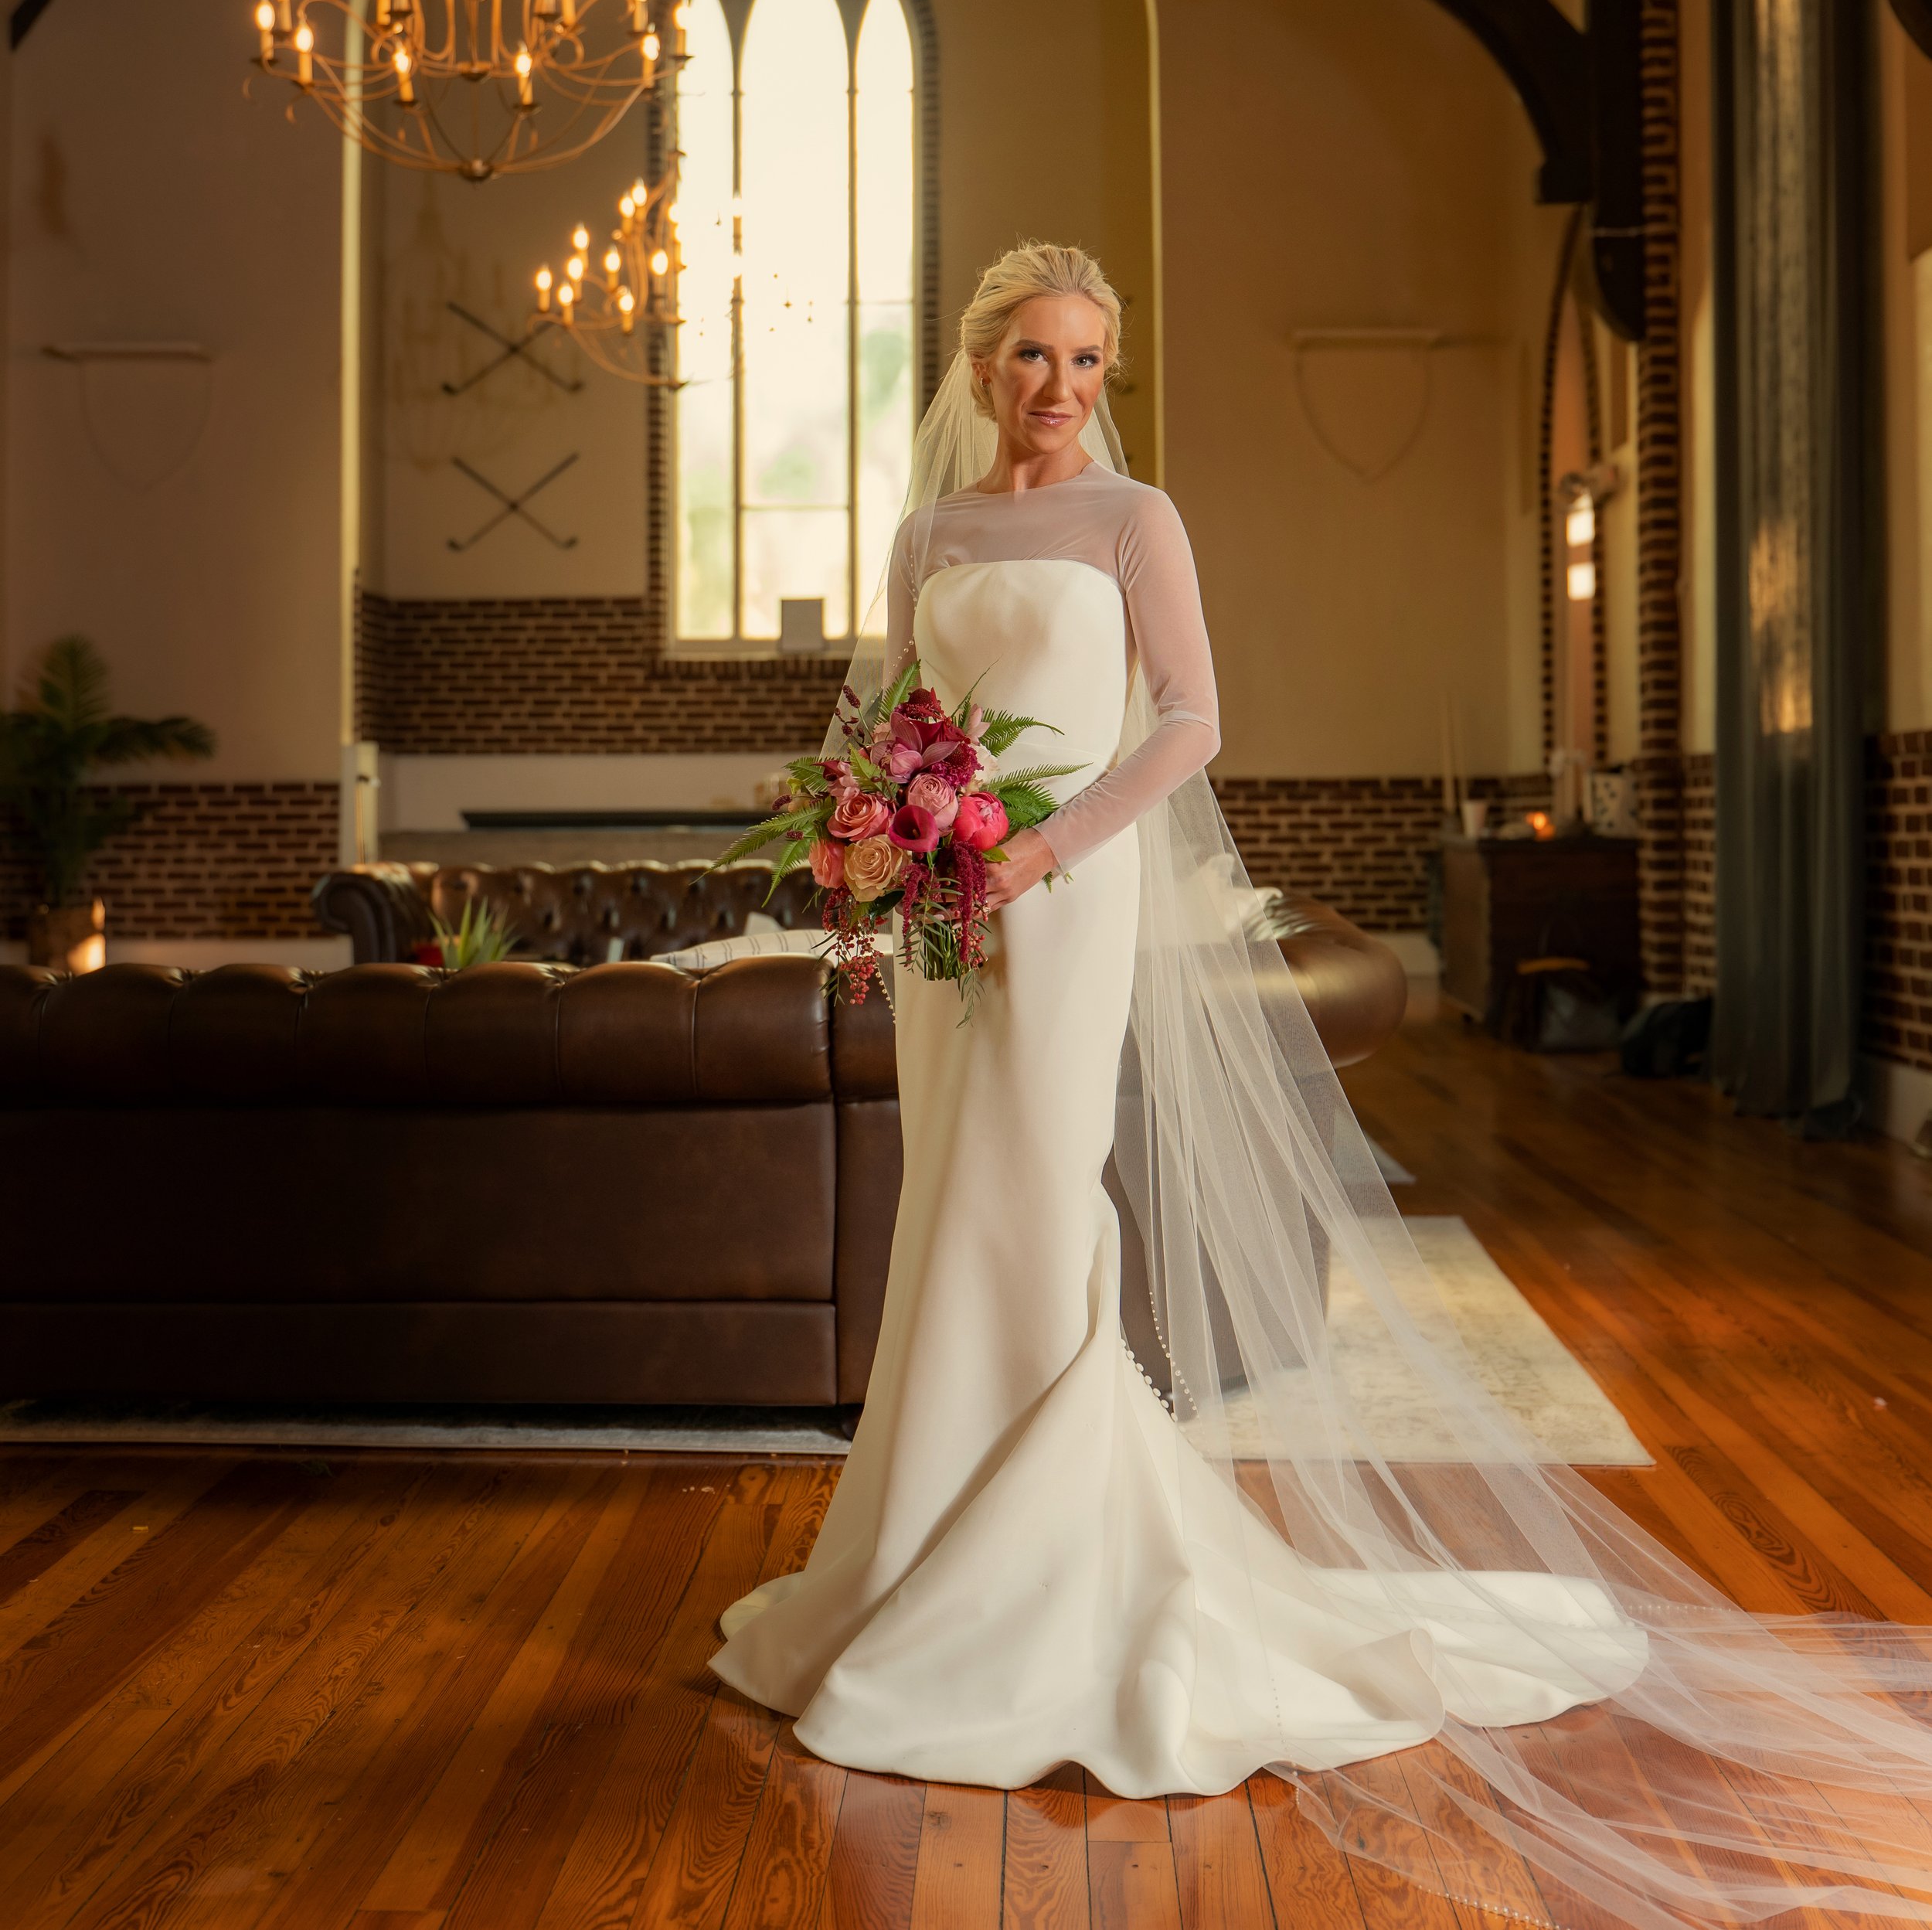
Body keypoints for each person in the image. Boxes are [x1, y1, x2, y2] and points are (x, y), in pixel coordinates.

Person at [713, 242, 1932, 1927]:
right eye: (1028, 358)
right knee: (952, 1190)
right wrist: (884, 836)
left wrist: (1041, 853)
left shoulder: (1137, 523)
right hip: (945, 916)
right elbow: (895, 721)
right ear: (978, 367)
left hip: (1064, 901)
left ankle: (1044, 1563)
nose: (1056, 387)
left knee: (1032, 1188)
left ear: (1102, 372)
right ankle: (919, 1542)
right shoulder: (930, 534)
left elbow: (1190, 720)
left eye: (1083, 360)